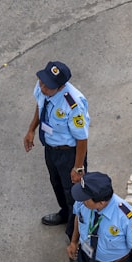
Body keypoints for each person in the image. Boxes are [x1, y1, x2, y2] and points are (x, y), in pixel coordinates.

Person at [23, 61, 89, 240]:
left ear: (60, 87)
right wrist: (31, 130)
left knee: (74, 194)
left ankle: (76, 237)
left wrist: (78, 168)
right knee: (57, 183)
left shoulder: (73, 105)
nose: (42, 87)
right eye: (42, 82)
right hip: (51, 149)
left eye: (47, 86)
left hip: (69, 153)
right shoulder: (43, 86)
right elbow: (40, 105)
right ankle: (64, 214)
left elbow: (82, 139)